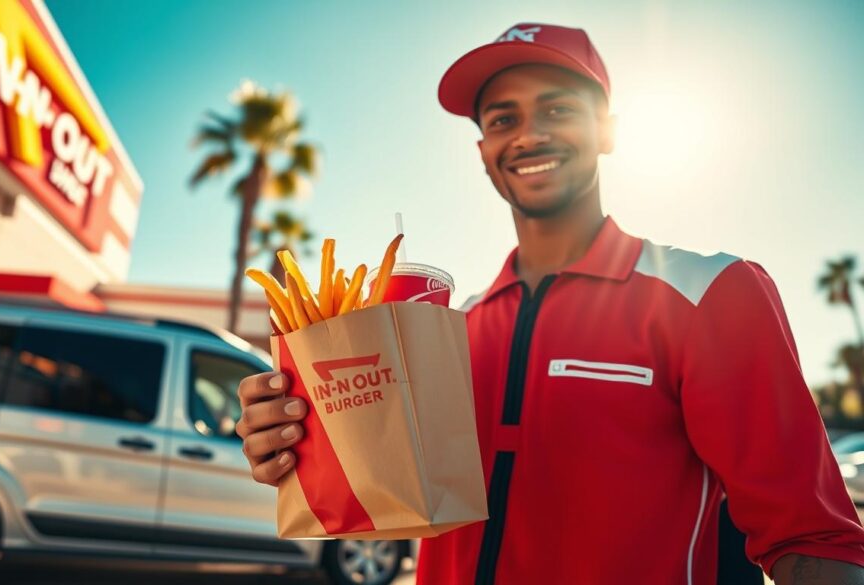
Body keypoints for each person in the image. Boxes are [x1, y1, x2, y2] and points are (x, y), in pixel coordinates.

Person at [235, 23, 864, 584]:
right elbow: (391, 501)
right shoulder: (449, 331)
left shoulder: (709, 295)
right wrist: (295, 445)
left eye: (558, 109)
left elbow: (813, 541)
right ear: (481, 148)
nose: (528, 134)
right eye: (501, 119)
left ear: (608, 131)